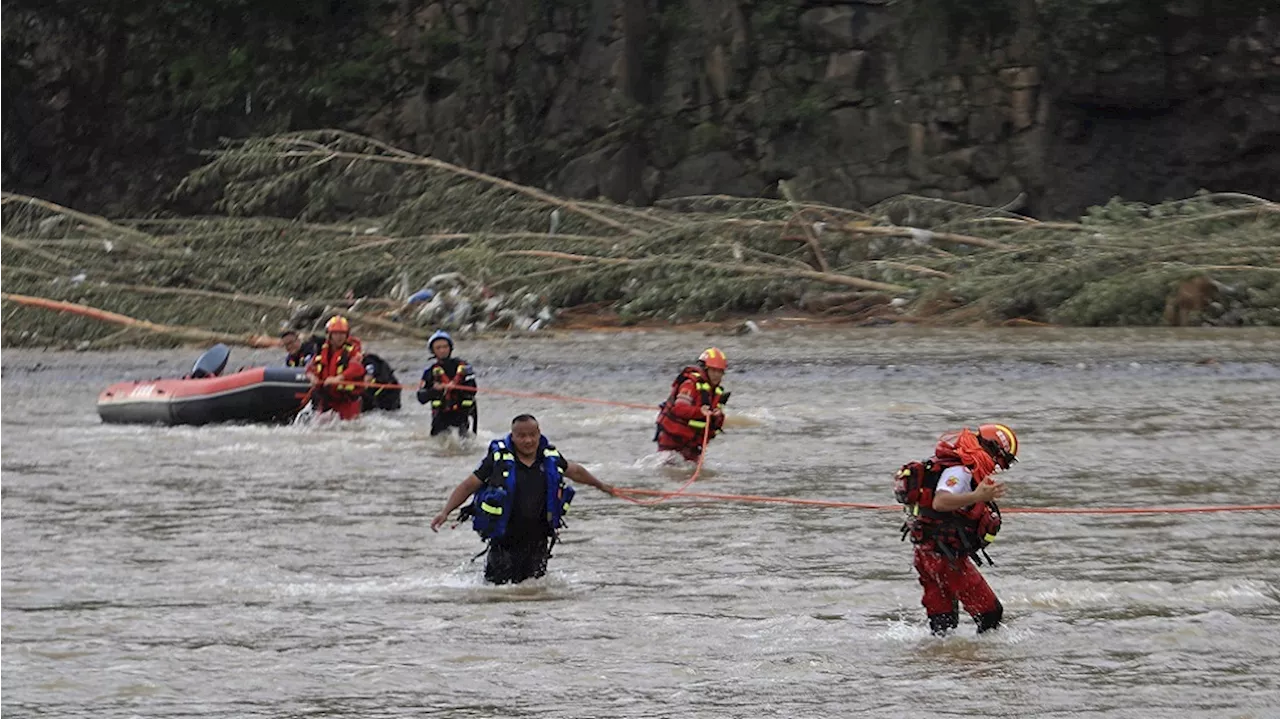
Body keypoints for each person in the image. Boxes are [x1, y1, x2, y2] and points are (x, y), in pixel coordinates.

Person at [430, 414, 615, 585]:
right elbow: (469, 485)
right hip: (504, 542)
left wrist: (601, 485)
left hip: (538, 541)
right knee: (499, 594)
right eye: (522, 436)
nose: (528, 440)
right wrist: (446, 511)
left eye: (532, 435)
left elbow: (575, 471)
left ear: (539, 433)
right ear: (513, 436)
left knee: (533, 593)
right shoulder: (497, 460)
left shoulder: (549, 458)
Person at [894, 423, 1017, 636]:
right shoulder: (960, 470)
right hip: (946, 559)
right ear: (992, 450)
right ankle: (984, 665)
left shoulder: (950, 464)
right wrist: (977, 497)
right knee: (990, 613)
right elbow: (941, 502)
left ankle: (941, 664)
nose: (998, 468)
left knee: (943, 624)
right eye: (1001, 461)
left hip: (926, 555)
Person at [654, 347, 730, 461]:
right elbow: (679, 409)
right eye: (713, 370)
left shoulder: (717, 392)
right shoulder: (689, 384)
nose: (717, 375)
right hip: (672, 442)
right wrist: (700, 412)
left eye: (720, 371)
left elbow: (716, 424)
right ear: (705, 369)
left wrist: (719, 415)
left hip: (693, 445)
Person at [417, 330, 477, 436]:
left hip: (461, 415)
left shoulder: (464, 367)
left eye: (445, 347)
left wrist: (457, 387)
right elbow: (421, 397)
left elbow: (473, 390)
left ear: (450, 348)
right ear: (433, 351)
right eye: (438, 348)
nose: (442, 350)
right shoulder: (429, 372)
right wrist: (435, 390)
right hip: (440, 417)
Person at [305, 315, 367, 420]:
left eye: (342, 333)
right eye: (336, 333)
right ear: (329, 335)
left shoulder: (353, 351)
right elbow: (310, 368)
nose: (339, 337)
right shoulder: (322, 351)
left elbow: (357, 368)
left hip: (346, 401)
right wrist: (312, 377)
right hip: (327, 399)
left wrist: (338, 379)